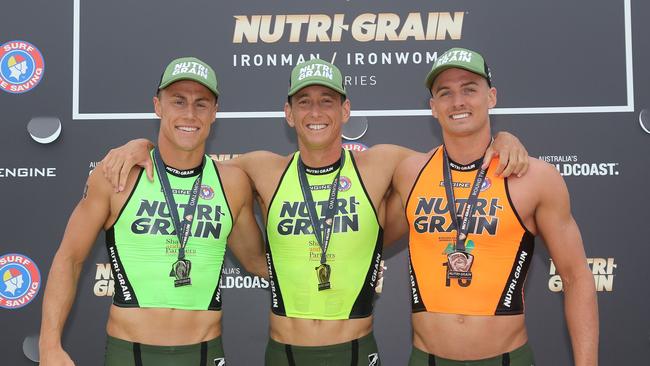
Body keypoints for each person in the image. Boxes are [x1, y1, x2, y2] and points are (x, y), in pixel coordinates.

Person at [100, 58, 529, 365]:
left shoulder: (383, 163)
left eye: (327, 101)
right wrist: (141, 147)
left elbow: (456, 159)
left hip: (357, 351)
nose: (316, 112)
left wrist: (503, 139)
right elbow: (187, 160)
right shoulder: (260, 168)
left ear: (346, 110)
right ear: (288, 114)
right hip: (283, 352)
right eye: (303, 102)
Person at [38, 57, 267, 366]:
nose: (189, 114)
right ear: (158, 106)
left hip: (205, 353)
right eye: (178, 101)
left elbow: (256, 261)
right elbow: (70, 259)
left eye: (201, 104)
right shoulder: (116, 175)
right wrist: (49, 345)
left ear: (214, 113)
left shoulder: (232, 182)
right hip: (130, 354)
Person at [388, 47, 599, 365]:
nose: (458, 101)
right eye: (445, 93)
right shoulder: (409, 171)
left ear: (492, 97)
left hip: (505, 358)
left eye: (469, 89)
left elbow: (576, 277)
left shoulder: (535, 177)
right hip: (427, 358)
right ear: (433, 107)